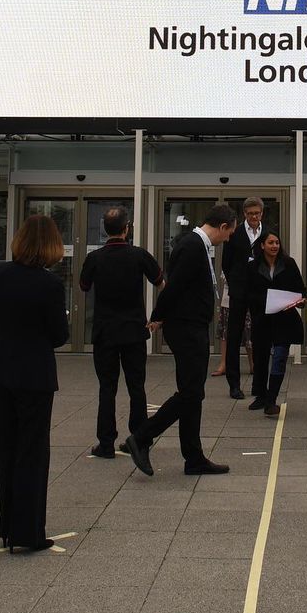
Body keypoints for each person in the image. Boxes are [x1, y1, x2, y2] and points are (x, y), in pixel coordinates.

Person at [127, 204, 237, 477]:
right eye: (229, 233)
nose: (228, 238)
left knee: (193, 392)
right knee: (190, 393)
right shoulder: (192, 246)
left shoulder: (196, 245)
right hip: (187, 328)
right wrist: (158, 315)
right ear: (223, 226)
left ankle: (193, 457)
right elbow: (174, 286)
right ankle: (141, 437)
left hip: (191, 325)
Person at [0, 214, 68, 552]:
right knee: (32, 452)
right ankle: (28, 531)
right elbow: (59, 335)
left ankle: (7, 526)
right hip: (34, 374)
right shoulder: (50, 284)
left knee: (6, 447)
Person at [78, 206, 163, 459]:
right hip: (134, 330)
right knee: (137, 386)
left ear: (105, 230)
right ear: (127, 229)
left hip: (105, 331)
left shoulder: (94, 258)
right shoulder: (139, 255)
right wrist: (158, 315)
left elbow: (83, 285)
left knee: (107, 387)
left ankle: (106, 443)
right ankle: (139, 438)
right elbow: (161, 282)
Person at [221, 197, 269, 405]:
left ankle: (259, 384)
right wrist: (235, 283)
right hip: (239, 291)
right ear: (244, 214)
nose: (253, 217)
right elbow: (226, 263)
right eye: (250, 214)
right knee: (234, 336)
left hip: (259, 291)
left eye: (256, 213)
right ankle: (234, 384)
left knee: (260, 335)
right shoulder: (235, 233)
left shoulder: (268, 234)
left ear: (262, 213)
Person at [258, 230, 305, 417]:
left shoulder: (288, 264)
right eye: (270, 243)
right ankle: (260, 395)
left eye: (277, 242)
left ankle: (271, 400)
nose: (274, 246)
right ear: (262, 245)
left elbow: (300, 289)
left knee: (279, 358)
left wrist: (300, 300)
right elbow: (249, 292)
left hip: (284, 320)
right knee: (262, 359)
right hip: (263, 319)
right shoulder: (254, 266)